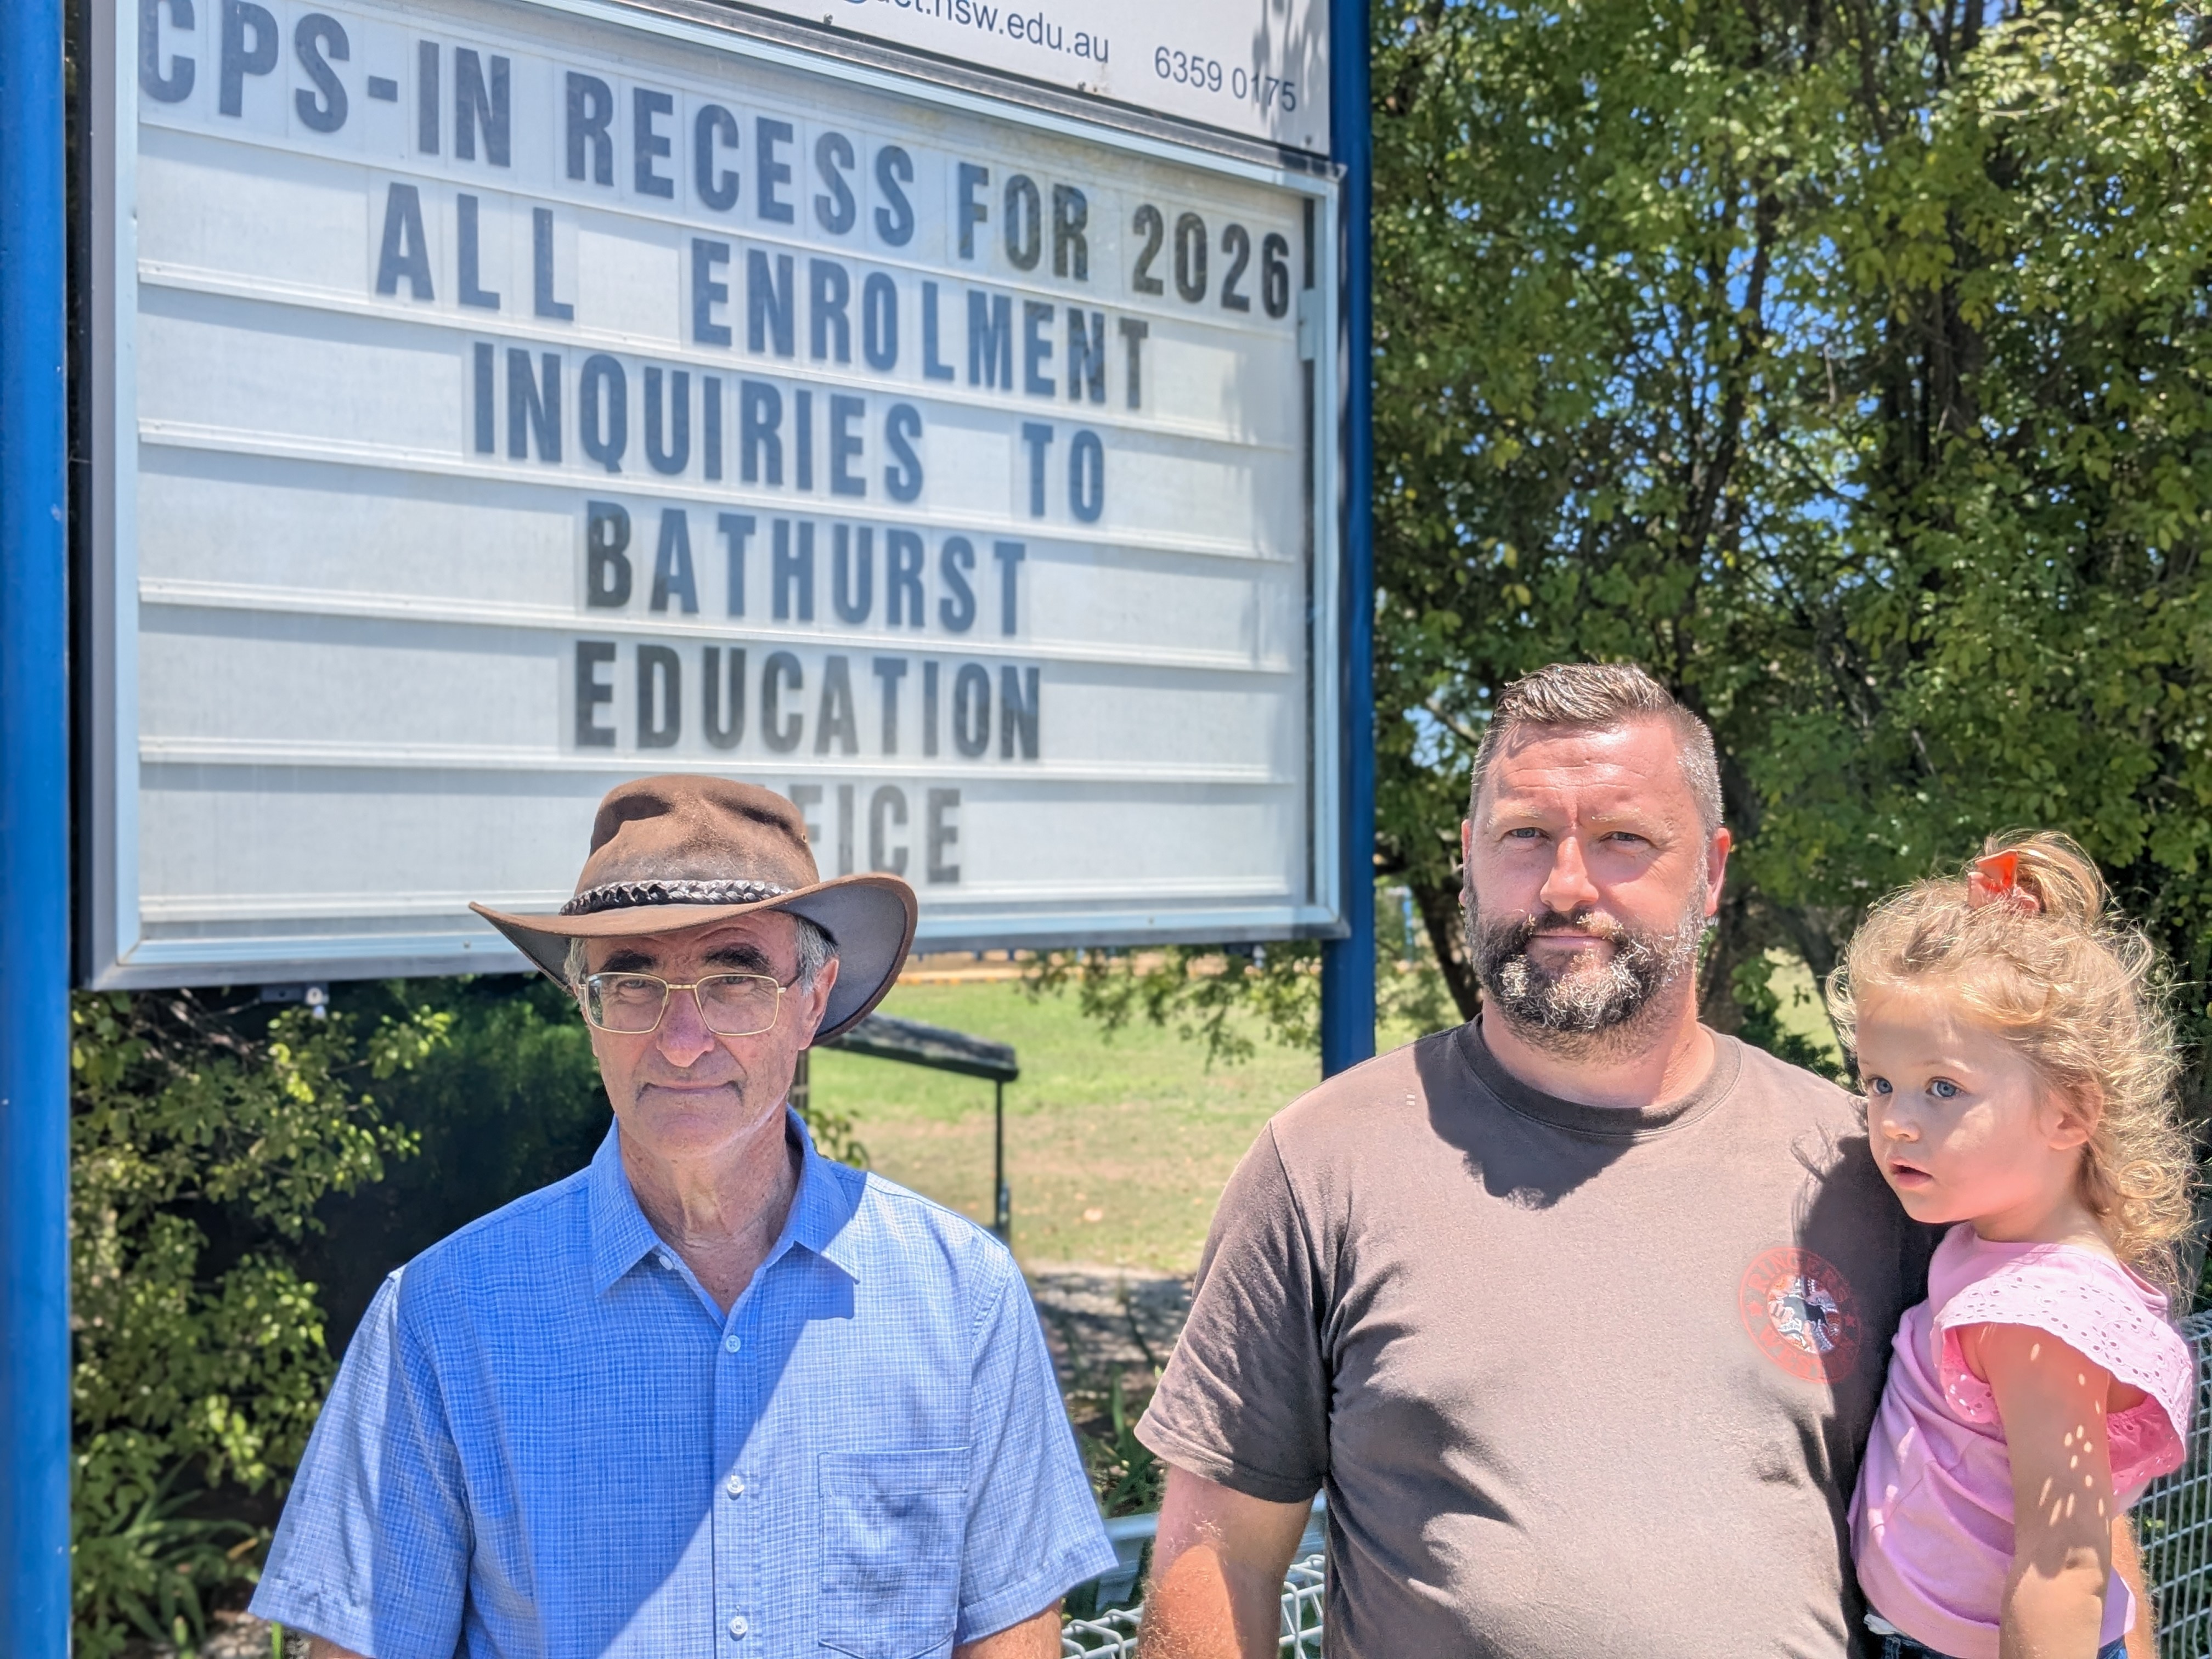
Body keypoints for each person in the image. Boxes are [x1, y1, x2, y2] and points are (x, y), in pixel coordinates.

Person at [1131, 662, 2152, 1657]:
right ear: (1467, 855)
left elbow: (2057, 1507)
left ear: (1711, 868)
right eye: (1525, 836)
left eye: (1623, 841)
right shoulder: (1323, 1165)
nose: (1566, 885)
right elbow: (1219, 1554)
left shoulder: (1875, 1168)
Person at [250, 775, 1115, 1658]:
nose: (682, 1038)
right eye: (633, 985)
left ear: (813, 1001)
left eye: (734, 980)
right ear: (587, 1012)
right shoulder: (441, 1321)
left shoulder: (960, 1296)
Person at [1834, 834, 2196, 1659]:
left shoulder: (2041, 1316)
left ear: (2069, 1112)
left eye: (1943, 1087)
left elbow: (2063, 1567)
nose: (1893, 1120)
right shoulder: (1994, 1240)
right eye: (1878, 1081)